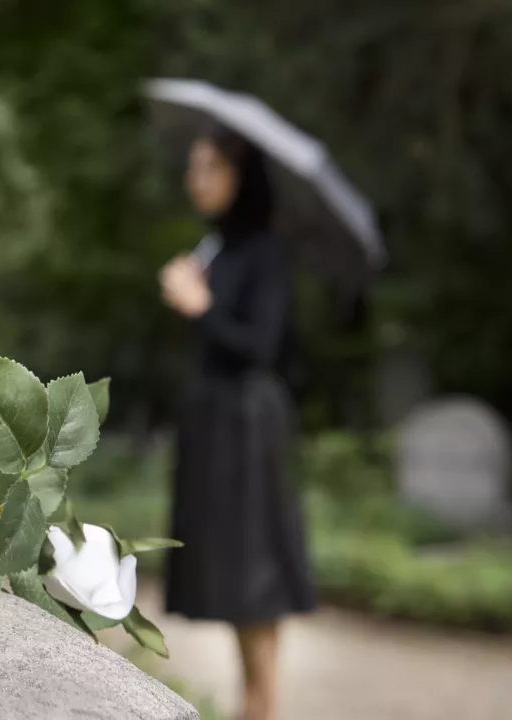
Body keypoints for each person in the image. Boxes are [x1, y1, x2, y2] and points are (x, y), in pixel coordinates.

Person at [159, 126, 317, 720]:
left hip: (247, 427)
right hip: (215, 422)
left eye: (208, 168)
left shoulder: (264, 252)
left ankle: (262, 706)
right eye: (193, 168)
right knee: (229, 573)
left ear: (239, 177)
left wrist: (200, 307)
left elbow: (260, 346)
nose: (193, 179)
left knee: (254, 576)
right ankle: (253, 704)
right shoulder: (217, 249)